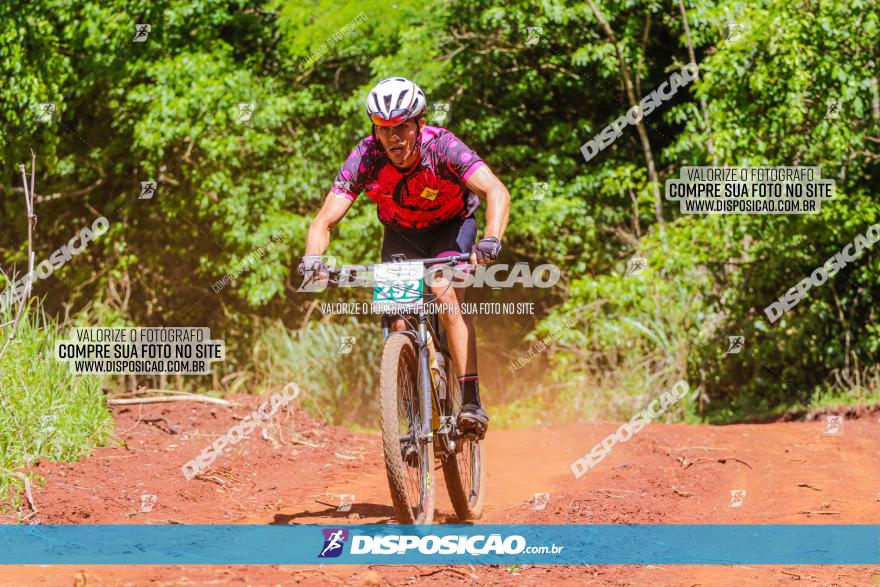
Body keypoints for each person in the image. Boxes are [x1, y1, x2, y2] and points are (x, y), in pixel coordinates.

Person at [298, 77, 510, 438]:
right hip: (401, 234)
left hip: (451, 226)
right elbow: (324, 220)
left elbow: (495, 190)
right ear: (375, 130)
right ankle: (415, 417)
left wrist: (491, 239)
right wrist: (312, 258)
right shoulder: (366, 157)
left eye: (401, 128)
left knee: (445, 292)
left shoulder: (443, 147)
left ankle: (471, 399)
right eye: (384, 129)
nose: (393, 137)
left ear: (419, 124)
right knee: (399, 320)